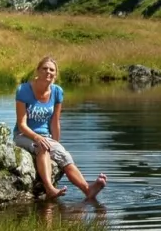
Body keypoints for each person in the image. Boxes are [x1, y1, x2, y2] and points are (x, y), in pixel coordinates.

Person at [14, 56, 107, 201]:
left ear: (55, 75)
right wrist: (37, 137)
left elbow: (55, 122)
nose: (48, 72)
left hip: (46, 136)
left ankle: (88, 190)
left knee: (65, 157)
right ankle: (50, 189)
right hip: (23, 135)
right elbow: (21, 124)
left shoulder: (57, 92)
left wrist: (56, 145)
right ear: (37, 71)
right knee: (42, 147)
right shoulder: (24, 90)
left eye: (52, 70)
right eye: (44, 68)